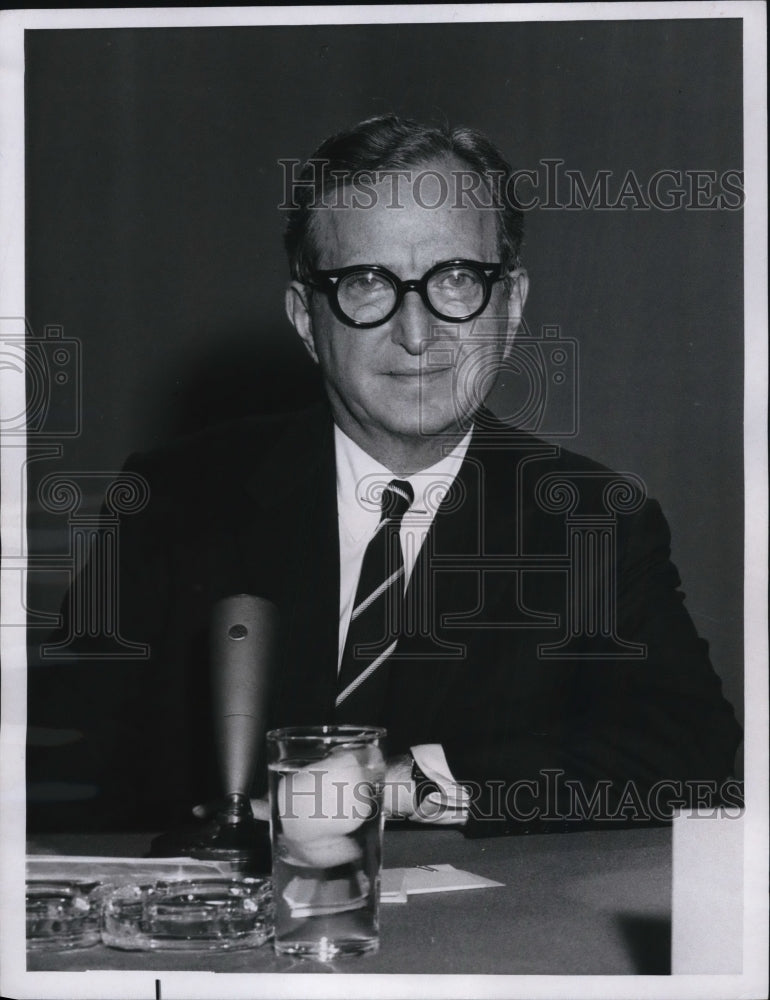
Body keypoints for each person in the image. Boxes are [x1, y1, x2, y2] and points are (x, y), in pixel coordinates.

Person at [27, 114, 741, 836]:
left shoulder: (594, 521)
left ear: (512, 304)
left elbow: (696, 761)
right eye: (368, 283)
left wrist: (399, 786)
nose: (418, 331)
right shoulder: (172, 499)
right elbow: (55, 773)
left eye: (457, 279)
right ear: (307, 318)